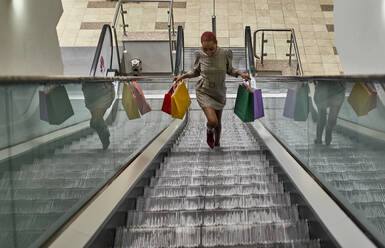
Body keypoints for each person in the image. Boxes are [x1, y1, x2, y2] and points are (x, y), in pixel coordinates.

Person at [174, 31, 250, 148]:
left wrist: (241, 74)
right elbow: (195, 72)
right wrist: (181, 76)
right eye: (205, 49)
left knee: (218, 122)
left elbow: (230, 69)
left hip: (219, 92)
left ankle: (217, 143)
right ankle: (209, 131)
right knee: (213, 121)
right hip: (204, 91)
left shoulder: (225, 53)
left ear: (216, 44)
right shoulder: (199, 54)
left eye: (211, 49)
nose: (208, 52)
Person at [82, 82, 115, 149]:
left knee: (95, 121)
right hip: (90, 94)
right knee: (96, 121)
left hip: (103, 92)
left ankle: (105, 138)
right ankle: (105, 137)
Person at [313, 80, 345, 145]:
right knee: (332, 116)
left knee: (322, 115)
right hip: (338, 89)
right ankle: (328, 135)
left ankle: (319, 138)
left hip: (323, 88)